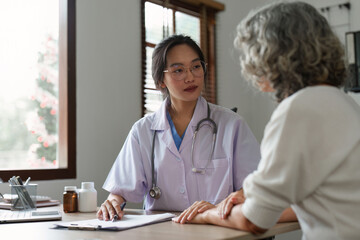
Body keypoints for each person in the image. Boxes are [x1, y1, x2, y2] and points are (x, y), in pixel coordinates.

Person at [173, 2, 360, 239]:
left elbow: (255, 220)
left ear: (272, 55)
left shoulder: (298, 110)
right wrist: (253, 193)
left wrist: (206, 214)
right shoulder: (342, 102)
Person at [97, 34, 261, 221]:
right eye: (178, 70)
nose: (190, 77)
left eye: (196, 67)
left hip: (218, 228)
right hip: (163, 232)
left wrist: (218, 208)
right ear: (160, 81)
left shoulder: (232, 125)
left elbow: (256, 186)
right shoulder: (142, 131)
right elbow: (121, 189)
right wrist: (113, 201)